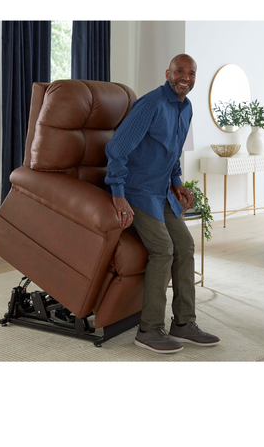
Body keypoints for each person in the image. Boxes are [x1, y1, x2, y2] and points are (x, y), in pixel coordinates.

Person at [105, 54, 220, 354]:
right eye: (180, 71)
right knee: (163, 248)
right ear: (167, 73)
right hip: (137, 191)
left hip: (161, 192)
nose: (186, 77)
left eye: (191, 73)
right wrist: (117, 192)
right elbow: (116, 147)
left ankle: (183, 323)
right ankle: (149, 329)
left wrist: (178, 182)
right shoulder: (151, 104)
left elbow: (172, 152)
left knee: (185, 245)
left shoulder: (187, 107)